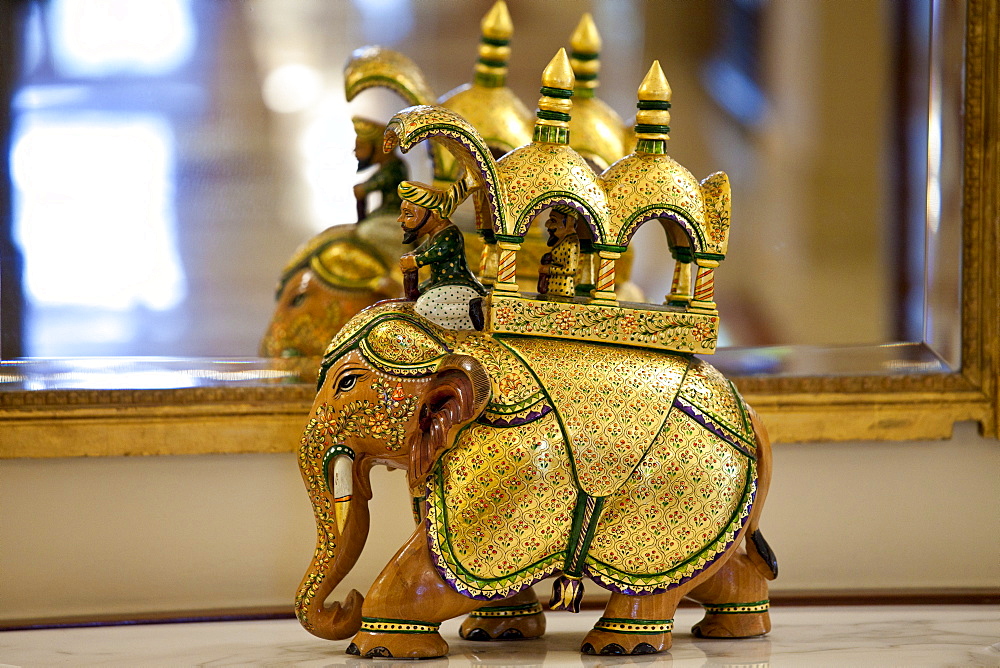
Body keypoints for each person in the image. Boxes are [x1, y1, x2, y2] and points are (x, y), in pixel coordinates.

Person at [398, 178, 487, 330]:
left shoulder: (450, 234)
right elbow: (424, 249)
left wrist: (416, 261)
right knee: (418, 293)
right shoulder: (435, 235)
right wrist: (412, 255)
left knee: (425, 306)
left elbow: (439, 251)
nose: (401, 220)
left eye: (408, 214)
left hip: (458, 284)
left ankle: (469, 311)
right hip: (439, 282)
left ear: (435, 214)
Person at [352, 116, 408, 222]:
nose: (355, 152)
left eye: (361, 147)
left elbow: (378, 182)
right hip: (386, 212)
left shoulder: (394, 167)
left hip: (395, 214)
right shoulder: (387, 166)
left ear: (379, 148)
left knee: (367, 231)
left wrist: (363, 188)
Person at [537, 206, 580, 298]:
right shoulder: (561, 240)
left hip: (563, 289)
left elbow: (570, 269)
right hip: (552, 287)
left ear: (569, 223)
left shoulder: (571, 242)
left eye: (553, 220)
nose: (547, 224)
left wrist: (548, 269)